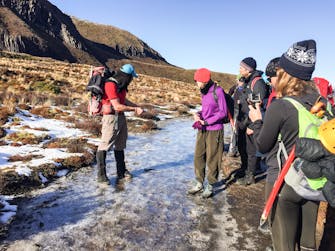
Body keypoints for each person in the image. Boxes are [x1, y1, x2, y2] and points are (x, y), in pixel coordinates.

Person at [249, 39, 335, 251]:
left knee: (284, 242)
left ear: (286, 72)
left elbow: (263, 145)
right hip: (313, 181)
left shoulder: (281, 106)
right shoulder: (323, 104)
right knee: (307, 242)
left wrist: (257, 120)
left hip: (284, 181)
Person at [96, 64, 143, 184]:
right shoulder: (110, 84)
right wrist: (134, 110)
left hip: (120, 118)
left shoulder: (120, 86)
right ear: (126, 76)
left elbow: (123, 101)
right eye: (131, 77)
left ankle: (121, 172)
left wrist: (136, 106)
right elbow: (117, 106)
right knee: (104, 145)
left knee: (120, 145)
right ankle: (101, 176)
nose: (131, 80)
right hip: (111, 118)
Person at [188, 68, 227, 198]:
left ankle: (210, 185)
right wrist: (198, 114)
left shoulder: (218, 91)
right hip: (202, 128)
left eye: (198, 81)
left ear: (205, 81)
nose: (196, 83)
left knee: (213, 158)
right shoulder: (203, 92)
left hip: (215, 130)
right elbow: (207, 110)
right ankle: (199, 182)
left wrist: (208, 121)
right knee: (198, 156)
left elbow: (223, 112)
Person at [235, 57, 269, 186]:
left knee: (251, 151)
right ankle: (245, 169)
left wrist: (252, 125)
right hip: (244, 120)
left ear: (248, 70)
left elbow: (257, 104)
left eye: (241, 67)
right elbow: (248, 99)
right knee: (242, 147)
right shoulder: (248, 81)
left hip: (251, 122)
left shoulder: (257, 82)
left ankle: (250, 176)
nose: (239, 69)